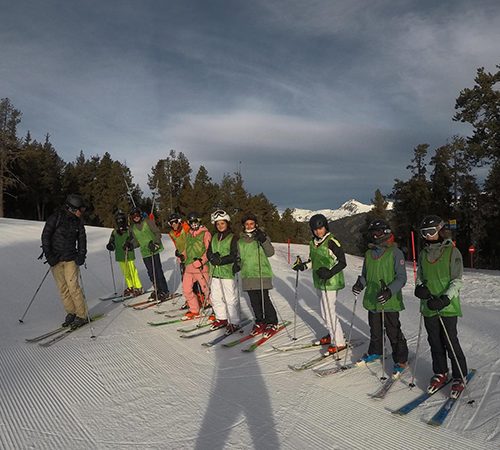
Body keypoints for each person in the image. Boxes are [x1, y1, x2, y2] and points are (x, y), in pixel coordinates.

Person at [414, 215, 468, 397]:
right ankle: (441, 372)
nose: (427, 236)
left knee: (450, 341)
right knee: (434, 341)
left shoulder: (452, 252)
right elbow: (420, 276)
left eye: (431, 231)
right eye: (424, 233)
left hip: (447, 306)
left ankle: (460, 375)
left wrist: (445, 299)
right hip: (429, 305)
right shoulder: (423, 254)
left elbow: (457, 280)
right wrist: (419, 288)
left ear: (440, 230)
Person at [351, 219, 409, 374]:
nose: (375, 236)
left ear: (386, 232)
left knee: (393, 331)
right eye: (373, 233)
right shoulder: (369, 254)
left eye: (378, 232)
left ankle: (401, 359)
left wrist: (389, 291)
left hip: (389, 300)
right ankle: (376, 350)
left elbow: (401, 278)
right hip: (372, 298)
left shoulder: (395, 253)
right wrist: (360, 284)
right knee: (375, 329)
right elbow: (366, 275)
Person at [293, 214, 347, 355]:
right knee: (324, 312)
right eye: (315, 229)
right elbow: (313, 261)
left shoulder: (332, 242)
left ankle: (339, 342)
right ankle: (333, 333)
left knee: (329, 311)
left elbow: (342, 262)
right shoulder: (313, 242)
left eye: (321, 228)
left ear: (325, 227)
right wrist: (303, 266)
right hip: (319, 280)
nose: (318, 231)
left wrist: (330, 272)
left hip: (331, 281)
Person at [41, 194, 88, 329]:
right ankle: (71, 312)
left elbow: (82, 240)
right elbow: (45, 237)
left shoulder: (78, 222)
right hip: (55, 259)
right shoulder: (55, 218)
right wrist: (49, 255)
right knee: (63, 288)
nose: (81, 212)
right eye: (80, 209)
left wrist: (81, 255)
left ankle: (81, 315)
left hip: (71, 259)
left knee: (73, 287)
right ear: (72, 208)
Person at [238, 213, 278, 338]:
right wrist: (237, 264)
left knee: (264, 299)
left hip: (261, 273)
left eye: (252, 223)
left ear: (256, 224)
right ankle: (260, 321)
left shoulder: (262, 236)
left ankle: (272, 322)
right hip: (247, 274)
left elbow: (270, 252)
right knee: (254, 301)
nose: (249, 226)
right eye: (247, 224)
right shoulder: (240, 241)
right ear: (243, 226)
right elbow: (239, 257)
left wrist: (263, 240)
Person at [207, 209, 241, 332]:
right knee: (215, 297)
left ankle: (234, 322)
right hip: (215, 272)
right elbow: (208, 252)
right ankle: (221, 318)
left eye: (222, 223)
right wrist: (212, 257)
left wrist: (221, 260)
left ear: (227, 223)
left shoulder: (233, 237)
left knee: (230, 298)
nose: (220, 226)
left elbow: (234, 255)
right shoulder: (214, 237)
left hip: (227, 272)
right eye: (217, 224)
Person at [128, 206, 170, 302]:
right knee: (151, 273)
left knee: (158, 271)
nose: (136, 217)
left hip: (153, 249)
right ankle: (157, 290)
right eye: (133, 216)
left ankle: (164, 290)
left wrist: (155, 243)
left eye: (137, 215)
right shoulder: (133, 228)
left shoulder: (148, 222)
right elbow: (137, 241)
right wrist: (131, 245)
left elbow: (157, 233)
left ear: (140, 215)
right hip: (145, 252)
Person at [180, 211, 212, 320]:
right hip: (189, 267)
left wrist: (201, 261)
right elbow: (187, 249)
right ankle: (194, 310)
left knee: (207, 290)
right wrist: (182, 256)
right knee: (186, 290)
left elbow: (209, 251)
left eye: (195, 221)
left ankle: (217, 311)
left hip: (200, 268)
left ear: (199, 221)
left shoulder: (205, 234)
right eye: (191, 222)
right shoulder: (188, 234)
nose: (194, 224)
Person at [106, 210, 143, 297]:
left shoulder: (129, 230)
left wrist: (130, 245)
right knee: (125, 272)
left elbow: (136, 241)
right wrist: (110, 245)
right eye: (118, 220)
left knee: (132, 271)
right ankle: (130, 287)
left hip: (128, 254)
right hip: (120, 255)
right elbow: (112, 241)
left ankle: (138, 287)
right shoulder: (115, 232)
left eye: (121, 219)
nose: (120, 221)